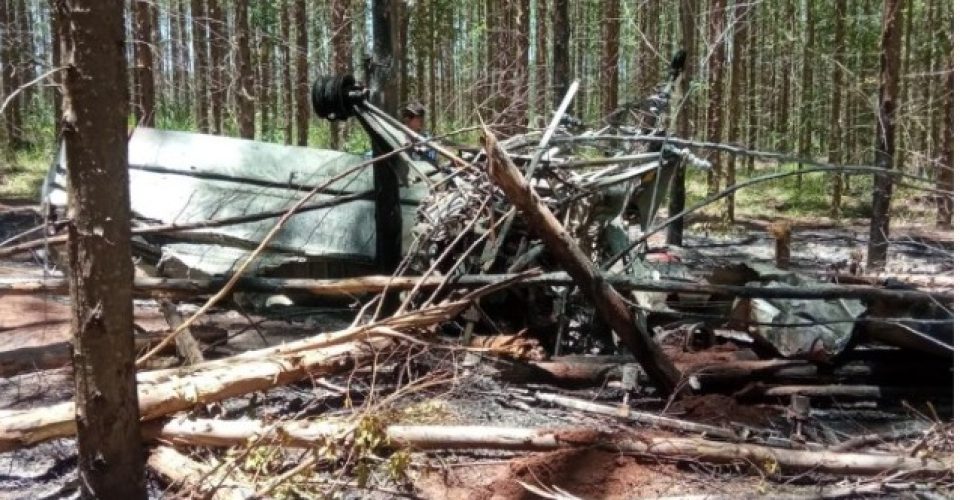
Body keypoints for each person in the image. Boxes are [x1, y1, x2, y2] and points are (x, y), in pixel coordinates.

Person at [399, 101, 437, 166]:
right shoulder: (399, 135)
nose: (407, 118)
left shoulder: (427, 139)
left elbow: (431, 162)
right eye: (405, 115)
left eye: (411, 116)